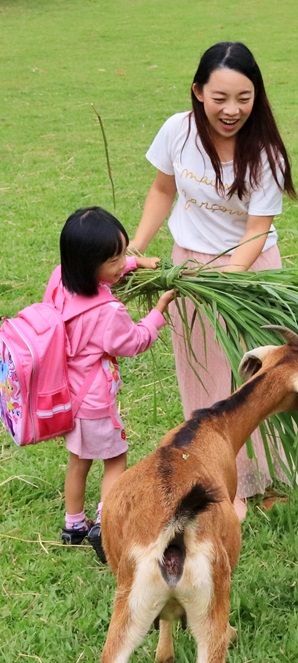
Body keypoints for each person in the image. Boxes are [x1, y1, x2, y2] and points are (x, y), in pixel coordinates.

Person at [128, 41, 297, 522]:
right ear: (198, 92)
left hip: (251, 272)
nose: (232, 110)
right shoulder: (176, 132)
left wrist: (228, 281)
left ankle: (258, 478)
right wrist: (137, 248)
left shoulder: (264, 152)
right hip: (191, 268)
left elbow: (255, 231)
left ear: (257, 96)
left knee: (254, 380)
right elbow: (162, 190)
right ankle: (214, 479)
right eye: (220, 97)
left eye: (244, 97)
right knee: (201, 373)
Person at [45, 207, 174, 559]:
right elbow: (132, 342)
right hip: (96, 403)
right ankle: (107, 526)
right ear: (90, 265)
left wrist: (136, 263)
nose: (122, 263)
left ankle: (74, 524)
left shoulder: (60, 279)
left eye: (123, 253)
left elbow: (102, 275)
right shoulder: (107, 312)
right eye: (114, 259)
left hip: (69, 396)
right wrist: (157, 313)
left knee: (78, 459)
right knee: (115, 459)